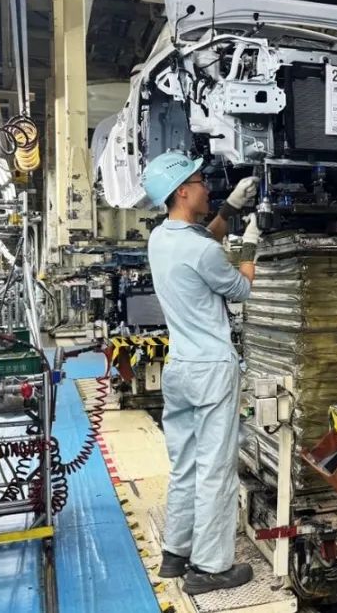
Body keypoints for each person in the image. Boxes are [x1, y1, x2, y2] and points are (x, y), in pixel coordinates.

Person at [143, 152, 262, 594]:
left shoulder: (161, 238)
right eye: (199, 181)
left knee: (186, 464)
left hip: (180, 370)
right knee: (216, 468)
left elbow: (202, 246)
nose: (207, 187)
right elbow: (241, 287)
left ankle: (176, 553)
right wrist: (250, 242)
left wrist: (229, 209)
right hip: (212, 370)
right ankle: (210, 567)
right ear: (182, 191)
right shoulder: (201, 250)